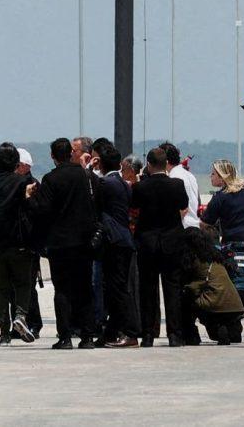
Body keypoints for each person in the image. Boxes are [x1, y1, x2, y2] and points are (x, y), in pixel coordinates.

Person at [134, 146, 200, 347]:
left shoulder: (140, 187)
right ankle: (175, 334)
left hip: (148, 242)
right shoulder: (177, 184)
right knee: (172, 289)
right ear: (166, 165)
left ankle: (147, 334)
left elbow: (134, 207)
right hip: (172, 241)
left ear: (149, 165)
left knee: (148, 290)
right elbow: (183, 206)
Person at [36, 137, 97, 350]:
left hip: (59, 242)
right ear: (72, 152)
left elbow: (43, 210)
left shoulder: (50, 179)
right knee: (84, 288)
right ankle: (88, 335)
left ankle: (65, 336)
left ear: (53, 156)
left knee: (62, 289)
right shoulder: (84, 175)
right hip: (83, 241)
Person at [0, 143, 39, 343]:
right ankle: (20, 317)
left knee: (0, 289)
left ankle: (4, 333)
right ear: (15, 162)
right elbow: (32, 208)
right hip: (18, 241)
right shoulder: (21, 182)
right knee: (22, 284)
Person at [91, 141, 138, 347]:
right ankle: (111, 332)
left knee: (117, 289)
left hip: (113, 240)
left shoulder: (105, 184)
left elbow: (91, 198)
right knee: (115, 288)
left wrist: (88, 170)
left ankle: (130, 332)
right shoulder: (123, 184)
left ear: (100, 164)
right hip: (124, 238)